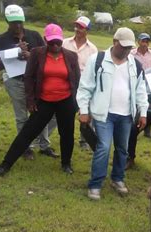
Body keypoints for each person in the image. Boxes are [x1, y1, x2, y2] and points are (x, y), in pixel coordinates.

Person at [0, 24, 80, 177]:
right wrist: (31, 101)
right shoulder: (37, 53)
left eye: (58, 41)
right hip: (44, 100)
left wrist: (75, 102)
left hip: (65, 100)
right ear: (45, 40)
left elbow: (76, 79)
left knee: (67, 133)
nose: (55, 45)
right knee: (27, 132)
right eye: (51, 42)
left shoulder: (71, 56)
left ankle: (66, 163)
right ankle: (5, 164)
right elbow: (29, 77)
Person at [76, 27, 148, 200]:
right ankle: (95, 184)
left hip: (126, 116)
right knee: (103, 148)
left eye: (129, 47)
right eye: (123, 46)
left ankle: (117, 178)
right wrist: (84, 110)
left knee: (122, 149)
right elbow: (85, 87)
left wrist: (143, 112)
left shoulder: (135, 64)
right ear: (114, 42)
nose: (126, 50)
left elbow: (141, 90)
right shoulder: (97, 60)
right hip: (104, 114)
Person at [0, 4, 58, 160]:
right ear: (7, 21)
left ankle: (44, 145)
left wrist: (31, 55)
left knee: (40, 114)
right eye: (13, 22)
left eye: (20, 22)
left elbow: (46, 57)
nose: (17, 26)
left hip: (35, 82)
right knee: (21, 116)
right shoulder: (2, 39)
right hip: (15, 81)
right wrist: (14, 53)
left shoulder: (34, 35)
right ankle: (26, 147)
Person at [62, 16, 98, 150]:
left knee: (86, 112)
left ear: (87, 30)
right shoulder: (65, 43)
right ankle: (64, 137)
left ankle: (85, 140)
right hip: (66, 83)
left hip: (84, 84)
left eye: (81, 27)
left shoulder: (92, 49)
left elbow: (94, 70)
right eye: (76, 26)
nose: (78, 29)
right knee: (64, 112)